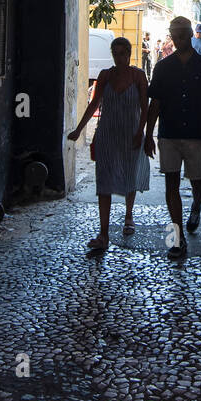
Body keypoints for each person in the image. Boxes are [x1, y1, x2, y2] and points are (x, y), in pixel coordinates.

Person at [145, 16, 201, 256]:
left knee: (198, 182)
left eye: (181, 36)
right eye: (174, 36)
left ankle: (196, 206)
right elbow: (154, 104)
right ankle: (176, 239)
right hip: (169, 134)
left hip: (196, 134)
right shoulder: (162, 67)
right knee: (171, 183)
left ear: (190, 34)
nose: (177, 40)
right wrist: (149, 134)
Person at [67, 36, 149, 253]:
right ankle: (103, 232)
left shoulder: (139, 76)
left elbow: (145, 107)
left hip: (131, 134)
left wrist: (142, 132)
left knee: (130, 174)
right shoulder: (105, 76)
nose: (120, 57)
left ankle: (129, 214)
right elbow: (94, 103)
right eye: (116, 53)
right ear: (112, 55)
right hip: (107, 134)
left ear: (129, 55)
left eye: (123, 53)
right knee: (104, 180)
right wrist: (79, 129)